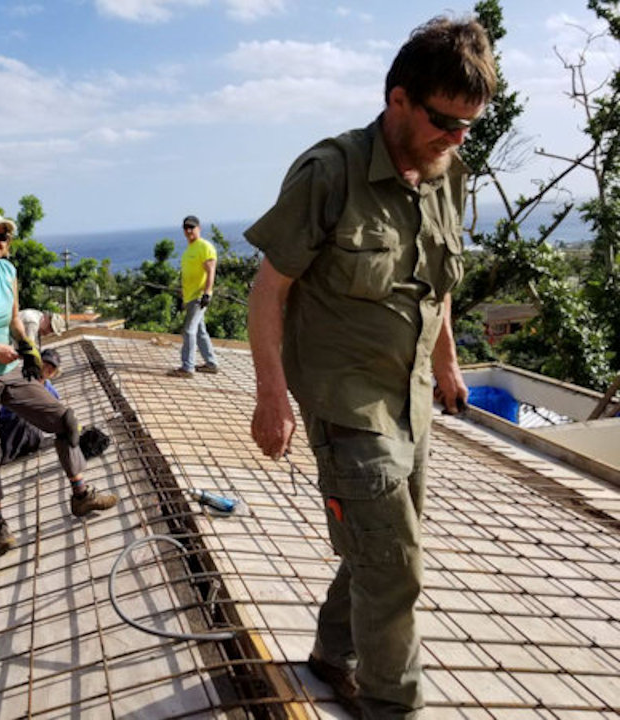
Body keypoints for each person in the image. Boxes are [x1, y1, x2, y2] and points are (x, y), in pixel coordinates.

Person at [245, 17, 495, 719]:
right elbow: (269, 287)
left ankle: (331, 655)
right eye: (446, 121)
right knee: (395, 569)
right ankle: (394, 707)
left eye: (471, 125)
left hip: (410, 399)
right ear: (399, 100)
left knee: (374, 547)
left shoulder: (449, 174)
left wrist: (446, 366)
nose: (458, 138)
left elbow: (438, 283)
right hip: (345, 402)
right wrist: (272, 396)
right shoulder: (330, 171)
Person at [0, 210, 118, 554]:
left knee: (65, 420)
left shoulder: (7, 271)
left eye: (3, 237)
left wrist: (28, 348)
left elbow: (15, 320)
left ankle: (80, 496)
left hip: (8, 368)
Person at [168, 215, 218, 377]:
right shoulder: (190, 249)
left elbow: (211, 271)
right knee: (199, 331)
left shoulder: (204, 247)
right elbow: (187, 275)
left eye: (192, 227)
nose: (189, 231)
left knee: (189, 331)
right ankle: (211, 364)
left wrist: (207, 293)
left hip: (199, 296)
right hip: (190, 297)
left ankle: (187, 368)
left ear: (199, 228)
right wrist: (183, 297)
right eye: (186, 228)